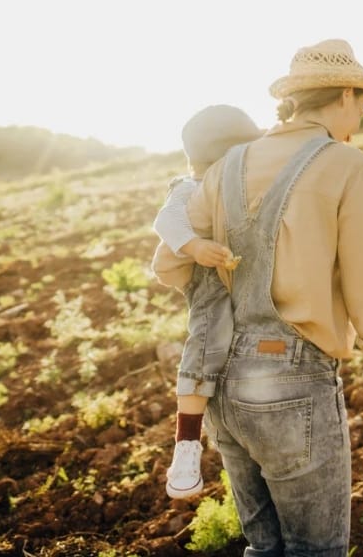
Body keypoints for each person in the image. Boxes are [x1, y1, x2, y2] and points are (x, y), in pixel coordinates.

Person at [153, 39, 363, 555]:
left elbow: (170, 264)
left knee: (264, 547)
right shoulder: (347, 164)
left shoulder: (224, 166)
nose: (362, 117)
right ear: (346, 94)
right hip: (292, 384)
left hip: (221, 388)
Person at [151, 105, 261, 499]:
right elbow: (166, 222)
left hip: (243, 279)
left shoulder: (244, 186)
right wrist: (195, 246)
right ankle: (187, 444)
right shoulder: (188, 187)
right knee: (203, 348)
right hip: (210, 285)